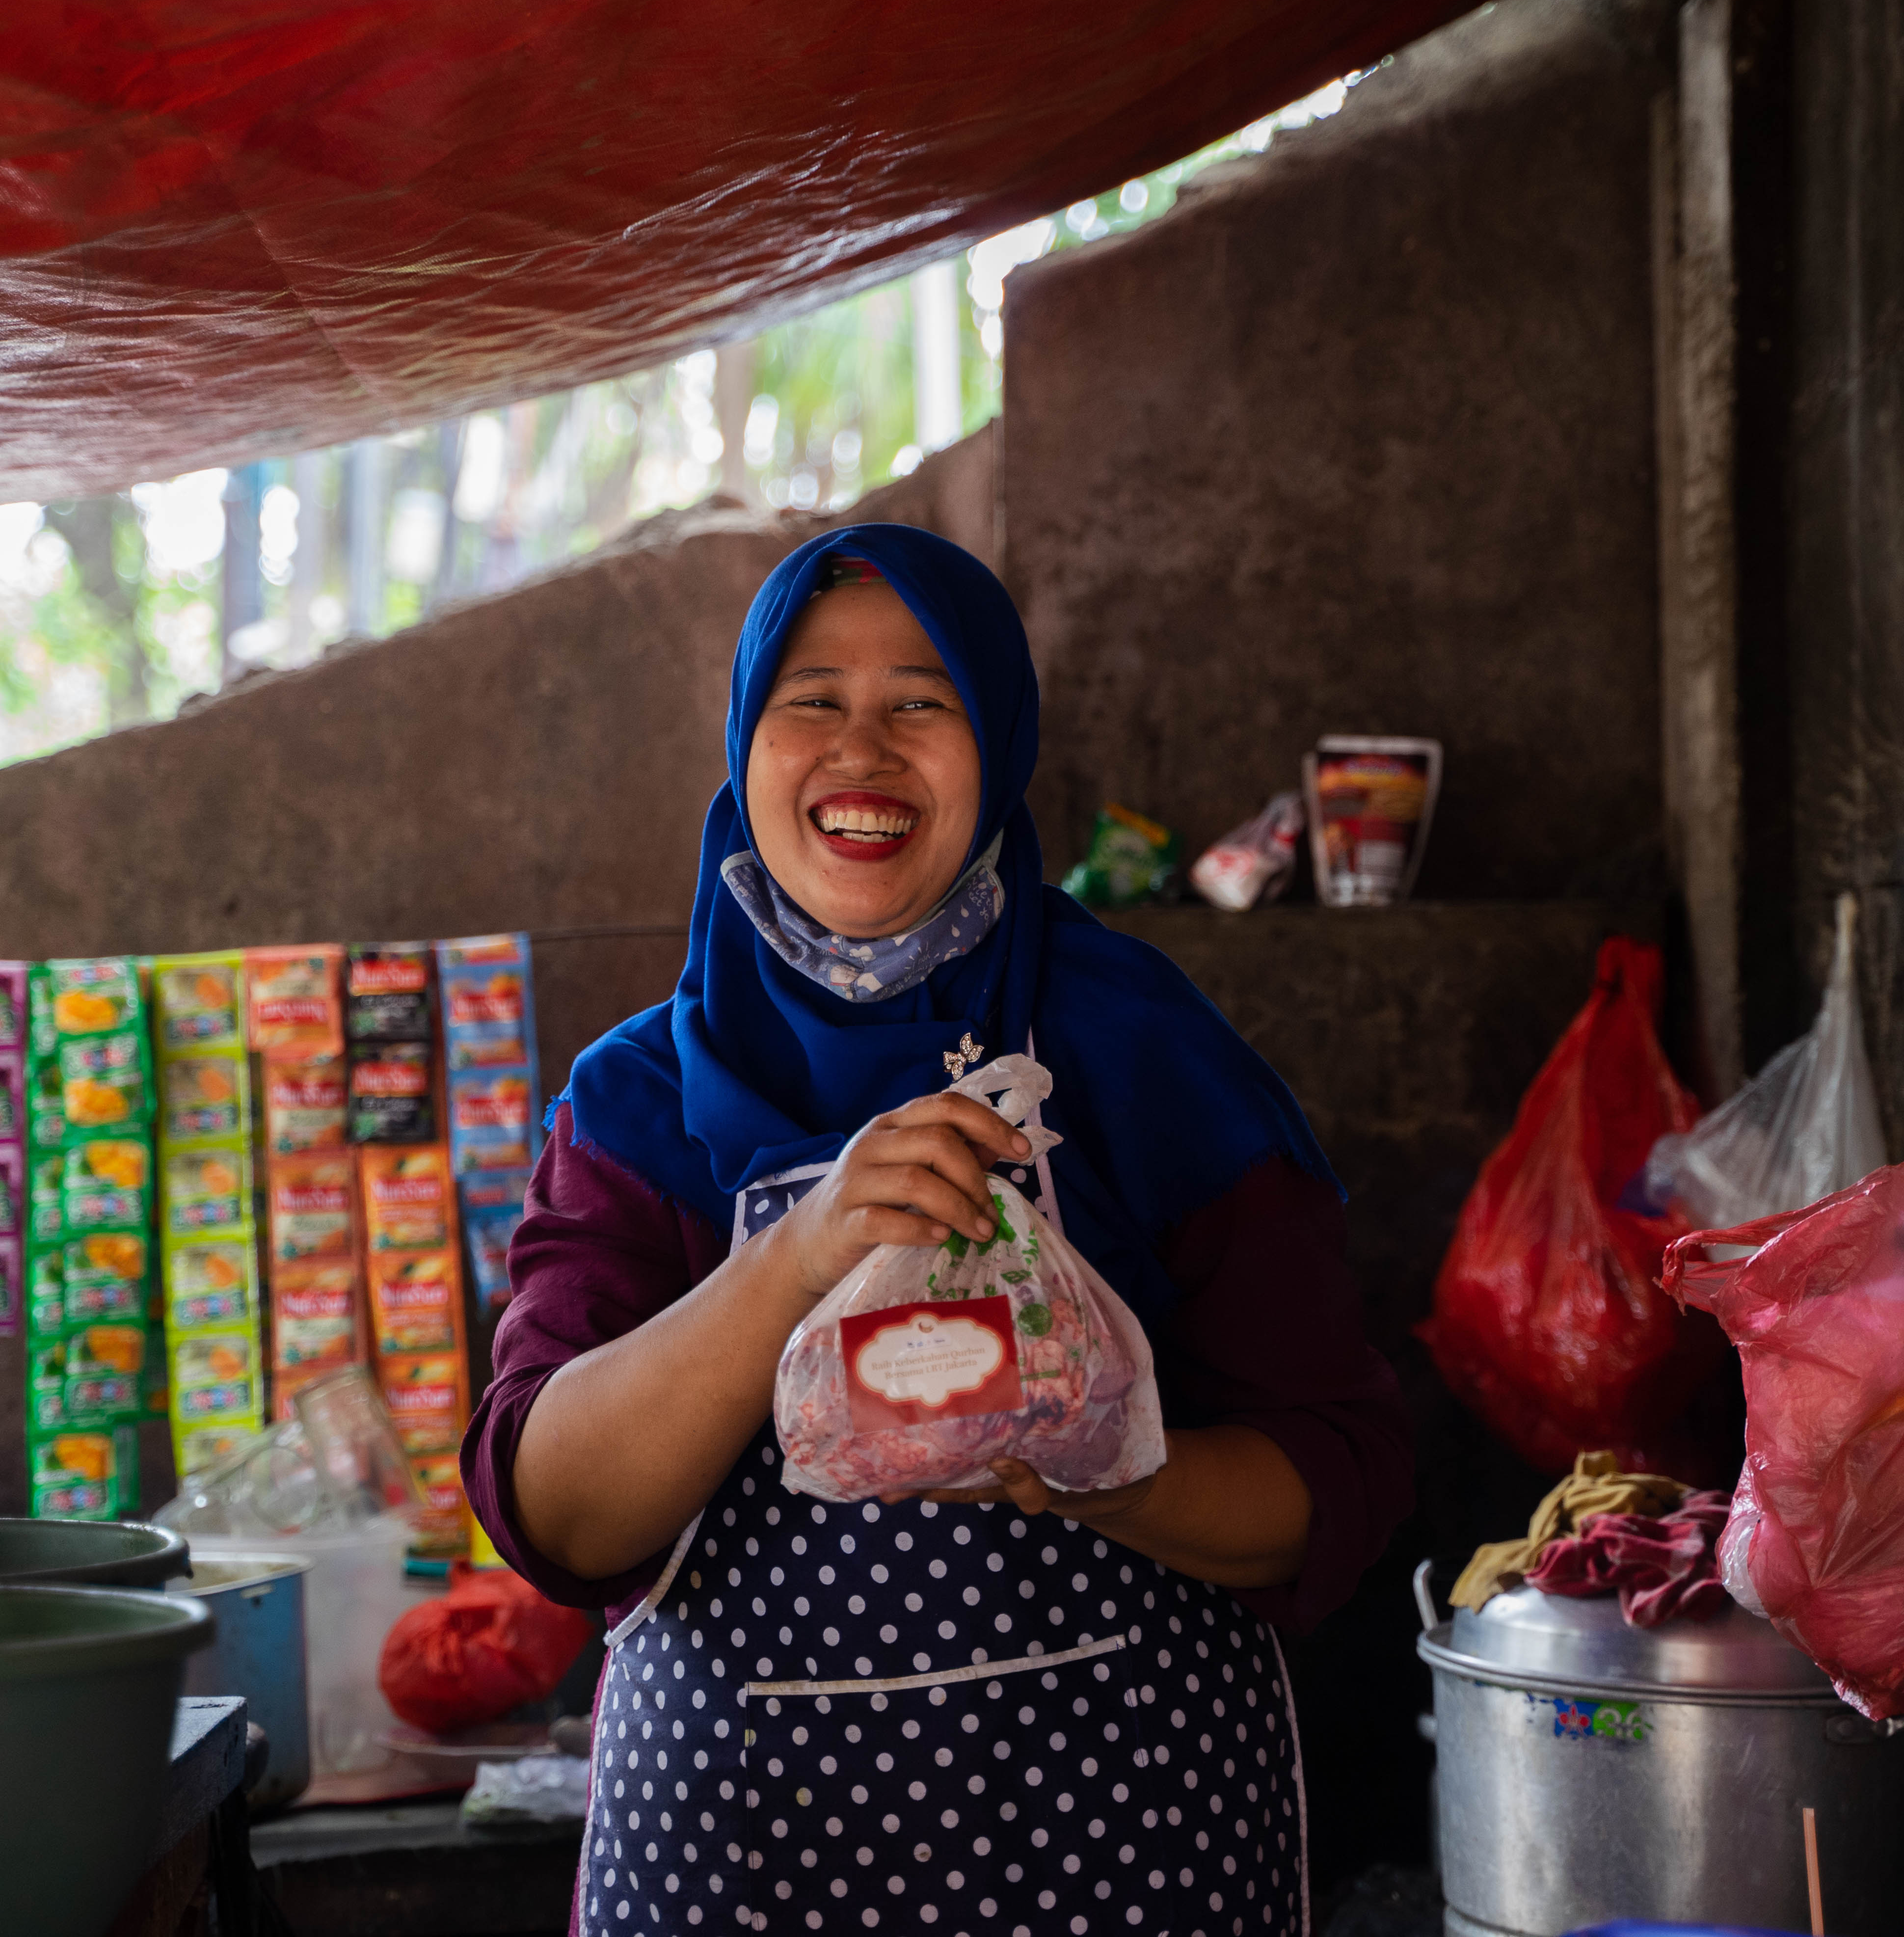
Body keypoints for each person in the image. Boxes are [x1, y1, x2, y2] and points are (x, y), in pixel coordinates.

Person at [461, 523, 1409, 1937]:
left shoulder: (1145, 1056)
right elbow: (555, 1514)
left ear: (1004, 739)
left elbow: (1338, 1474)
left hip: (1125, 1855)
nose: (863, 751)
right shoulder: (638, 1105)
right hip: (747, 1868)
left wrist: (1109, 1479)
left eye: (923, 700)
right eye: (810, 703)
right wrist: (803, 1250)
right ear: (743, 742)